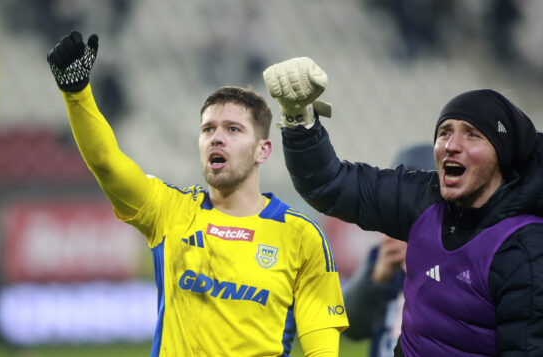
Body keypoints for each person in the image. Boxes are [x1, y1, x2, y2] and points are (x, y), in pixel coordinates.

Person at [47, 32, 348, 356]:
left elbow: (322, 350)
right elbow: (107, 164)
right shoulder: (170, 210)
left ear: (263, 150)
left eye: (233, 129)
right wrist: (77, 92)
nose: (216, 138)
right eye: (208, 130)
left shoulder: (302, 237)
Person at [264, 57, 543, 355]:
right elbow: (328, 184)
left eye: (472, 134)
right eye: (445, 132)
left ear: (502, 154)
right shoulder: (422, 198)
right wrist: (298, 120)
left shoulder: (525, 249)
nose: (451, 144)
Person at [342, 144, 434, 357]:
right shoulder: (383, 254)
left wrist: (422, 265)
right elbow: (351, 327)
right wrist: (378, 277)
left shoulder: (453, 252)